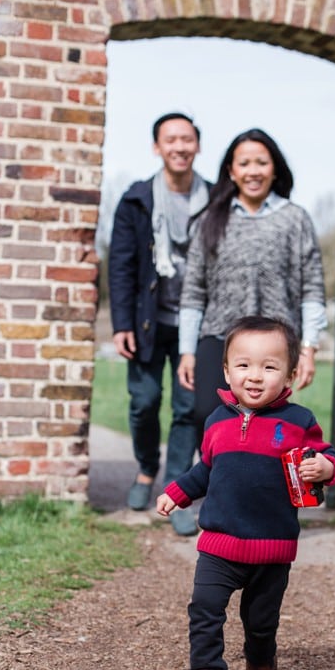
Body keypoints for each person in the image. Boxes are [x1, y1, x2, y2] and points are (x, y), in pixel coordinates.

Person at [156, 316, 335, 670]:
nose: (254, 377)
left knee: (260, 621)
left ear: (290, 373)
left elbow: (328, 456)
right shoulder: (216, 421)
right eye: (243, 365)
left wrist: (324, 468)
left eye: (269, 367)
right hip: (220, 544)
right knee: (204, 607)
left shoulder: (299, 421)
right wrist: (177, 492)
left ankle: (261, 662)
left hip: (271, 547)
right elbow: (206, 469)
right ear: (226, 370)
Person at [176, 128, 328, 444]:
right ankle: (216, 488)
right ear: (232, 171)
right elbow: (193, 290)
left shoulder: (295, 219)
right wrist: (187, 351)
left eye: (262, 162)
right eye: (244, 163)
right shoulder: (210, 220)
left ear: (275, 169)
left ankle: (258, 489)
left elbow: (312, 285)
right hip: (219, 335)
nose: (253, 171)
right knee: (208, 415)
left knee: (268, 425)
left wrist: (308, 347)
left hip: (277, 339)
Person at [108, 112, 212, 535]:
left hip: (198, 322)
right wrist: (121, 323)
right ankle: (147, 469)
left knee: (189, 409)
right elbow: (121, 265)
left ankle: (176, 488)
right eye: (170, 139)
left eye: (187, 139)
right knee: (144, 401)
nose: (179, 147)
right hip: (148, 321)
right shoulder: (136, 199)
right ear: (157, 147)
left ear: (197, 146)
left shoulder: (217, 198)